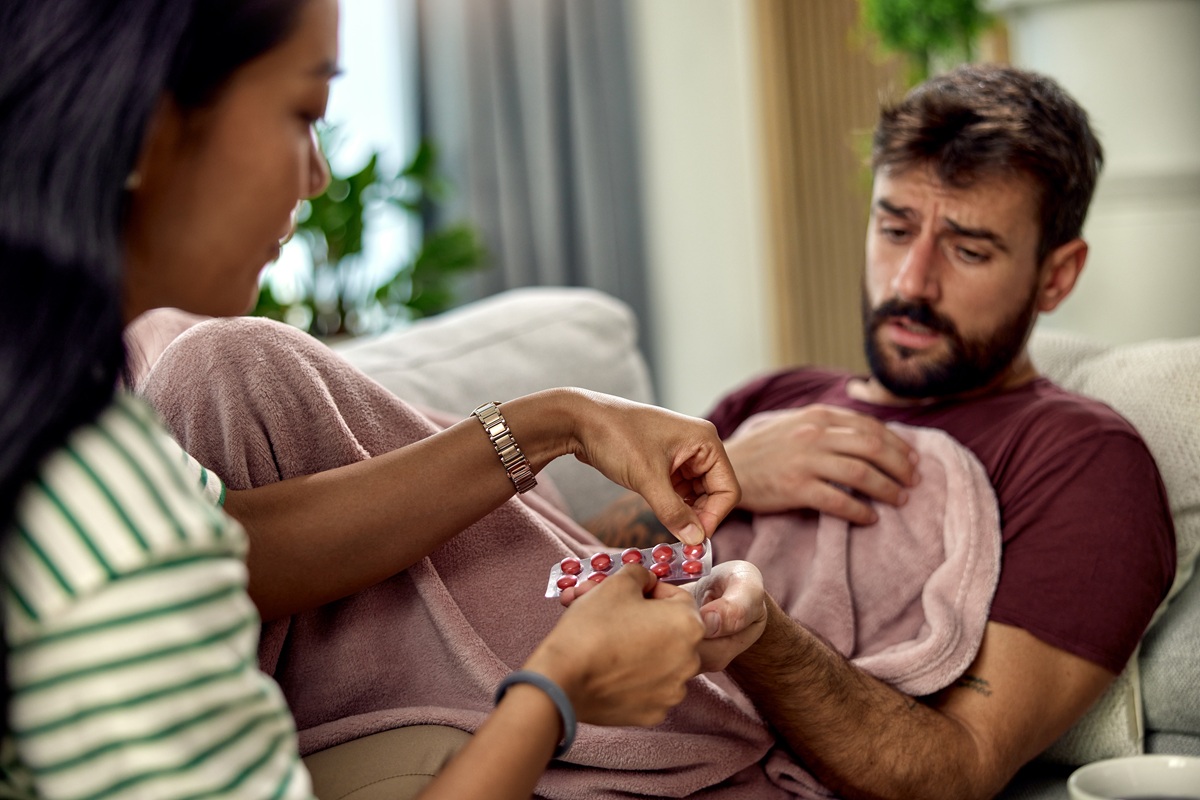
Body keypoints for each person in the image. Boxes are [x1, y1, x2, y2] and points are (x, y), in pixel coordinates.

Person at [0, 1, 767, 798]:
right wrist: (559, 692)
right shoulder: (109, 521)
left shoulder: (74, 432)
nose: (318, 175)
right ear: (148, 132)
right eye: (303, 112)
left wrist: (560, 420)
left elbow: (237, 542)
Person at [585, 64, 1177, 799]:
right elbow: (566, 559)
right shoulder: (770, 399)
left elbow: (954, 771)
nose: (909, 283)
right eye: (895, 229)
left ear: (1056, 276)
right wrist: (733, 473)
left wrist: (757, 636)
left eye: (968, 250)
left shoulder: (1081, 463)